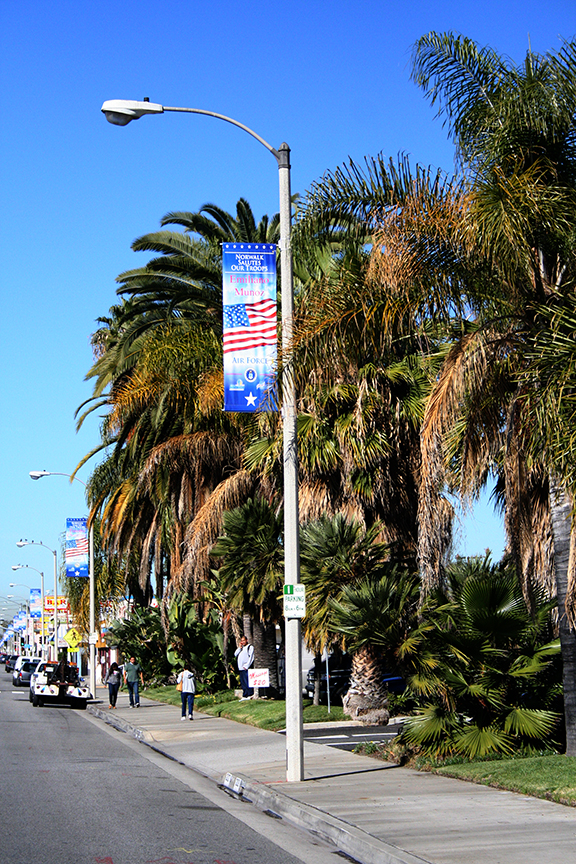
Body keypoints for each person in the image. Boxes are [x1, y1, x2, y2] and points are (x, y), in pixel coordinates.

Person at [234, 635, 254, 700]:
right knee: (243, 682)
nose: (242, 642)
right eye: (241, 641)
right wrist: (239, 648)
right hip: (241, 668)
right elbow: (235, 654)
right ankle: (245, 694)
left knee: (247, 681)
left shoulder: (250, 647)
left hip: (245, 668)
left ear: (246, 640)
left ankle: (249, 694)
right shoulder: (241, 648)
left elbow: (251, 657)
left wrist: (246, 666)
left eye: (243, 640)